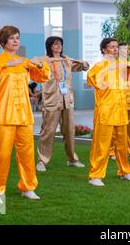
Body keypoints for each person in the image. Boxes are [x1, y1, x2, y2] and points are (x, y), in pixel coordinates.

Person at [0, 25, 50, 204]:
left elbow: (42, 77)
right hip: (3, 115)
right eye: (12, 38)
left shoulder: (24, 62)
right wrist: (6, 63)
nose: (16, 41)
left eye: (17, 37)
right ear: (3, 41)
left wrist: (40, 65)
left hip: (24, 115)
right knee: (1, 155)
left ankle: (28, 187)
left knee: (26, 154)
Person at [87, 38, 130, 186]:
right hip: (105, 111)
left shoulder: (122, 66)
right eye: (111, 47)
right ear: (104, 50)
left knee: (122, 145)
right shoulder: (98, 66)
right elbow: (93, 79)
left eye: (116, 47)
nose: (116, 49)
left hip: (121, 110)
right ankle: (95, 175)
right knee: (101, 144)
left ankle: (125, 171)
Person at [36, 36, 89, 172]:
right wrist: (53, 60)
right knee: (48, 131)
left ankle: (72, 159)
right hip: (52, 101)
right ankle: (42, 161)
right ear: (49, 46)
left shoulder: (67, 61)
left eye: (60, 44)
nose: (58, 46)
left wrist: (78, 61)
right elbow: (35, 63)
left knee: (70, 131)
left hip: (67, 101)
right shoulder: (45, 61)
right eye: (55, 44)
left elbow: (84, 66)